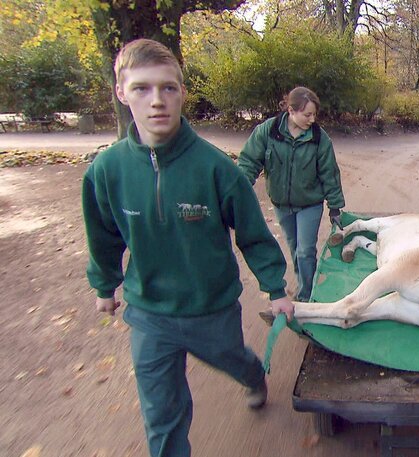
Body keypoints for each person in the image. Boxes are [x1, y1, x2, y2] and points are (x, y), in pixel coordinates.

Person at [82, 39, 294, 457]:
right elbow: (103, 234)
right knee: (162, 414)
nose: (157, 101)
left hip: (210, 308)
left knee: (235, 360)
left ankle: (254, 376)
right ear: (121, 93)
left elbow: (252, 234)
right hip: (150, 313)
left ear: (182, 92)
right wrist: (104, 286)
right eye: (142, 88)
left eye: (169, 88)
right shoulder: (106, 170)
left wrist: (277, 288)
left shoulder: (216, 168)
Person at [238, 86, 345, 302]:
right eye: (307, 114)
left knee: (306, 251)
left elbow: (329, 173)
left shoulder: (319, 139)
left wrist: (334, 206)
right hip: (281, 205)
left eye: (314, 114)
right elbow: (249, 162)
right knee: (295, 249)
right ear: (291, 110)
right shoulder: (268, 131)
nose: (312, 119)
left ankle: (307, 297)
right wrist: (239, 190)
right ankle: (305, 284)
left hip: (310, 204)